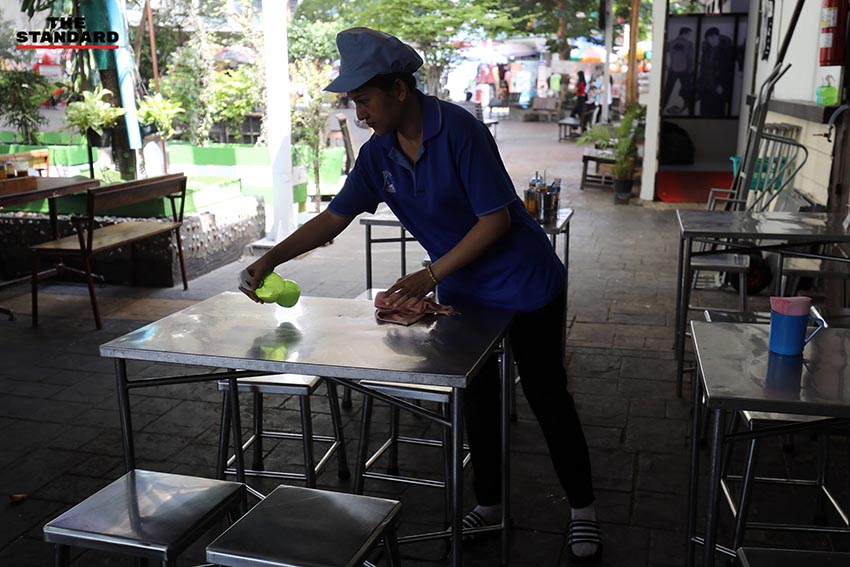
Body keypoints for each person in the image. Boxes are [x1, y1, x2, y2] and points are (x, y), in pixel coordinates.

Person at [239, 27, 602, 564]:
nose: (360, 113)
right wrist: (270, 259)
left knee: (547, 396)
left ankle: (583, 509)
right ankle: (491, 504)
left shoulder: (460, 131)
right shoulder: (378, 155)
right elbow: (334, 219)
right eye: (353, 102)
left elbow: (496, 221)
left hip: (525, 282)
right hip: (466, 290)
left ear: (399, 89)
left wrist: (429, 276)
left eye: (364, 99)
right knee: (477, 398)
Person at [697, 26, 734, 116]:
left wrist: (722, 86)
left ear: (718, 36)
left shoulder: (726, 51)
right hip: (705, 86)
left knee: (717, 112)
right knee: (704, 112)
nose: (711, 41)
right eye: (709, 39)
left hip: (718, 86)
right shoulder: (706, 50)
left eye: (713, 37)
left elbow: (727, 71)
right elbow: (703, 69)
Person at [661, 27, 694, 114]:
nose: (689, 36)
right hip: (684, 70)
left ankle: (661, 109)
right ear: (684, 33)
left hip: (672, 70)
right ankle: (691, 112)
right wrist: (690, 70)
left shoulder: (671, 43)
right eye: (688, 34)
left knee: (667, 91)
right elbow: (690, 59)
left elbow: (662, 54)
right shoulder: (689, 44)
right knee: (687, 91)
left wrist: (665, 66)